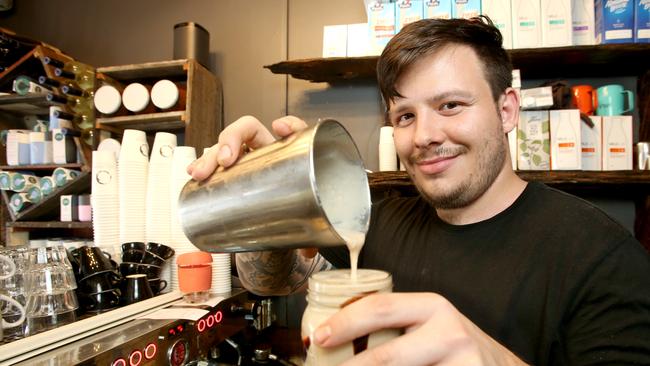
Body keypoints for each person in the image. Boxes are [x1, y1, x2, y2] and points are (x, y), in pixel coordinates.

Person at [188, 16, 650, 365]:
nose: (424, 135)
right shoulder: (373, 222)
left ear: (507, 110)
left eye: (450, 105)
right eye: (405, 116)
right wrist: (272, 193)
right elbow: (269, 281)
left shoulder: (602, 258)